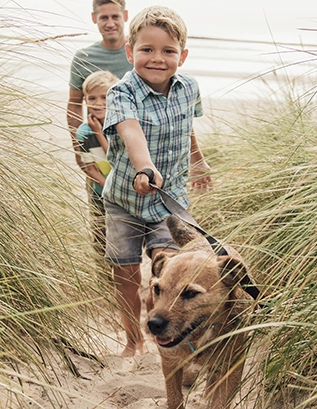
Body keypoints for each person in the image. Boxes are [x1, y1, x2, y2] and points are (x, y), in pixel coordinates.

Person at [101, 5, 212, 357]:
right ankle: (133, 341)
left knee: (171, 266)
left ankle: (173, 332)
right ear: (130, 51)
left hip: (170, 200)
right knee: (126, 272)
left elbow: (186, 128)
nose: (157, 59)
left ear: (183, 55)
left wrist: (198, 160)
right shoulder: (121, 92)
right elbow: (130, 131)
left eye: (168, 51)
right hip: (125, 200)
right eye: (147, 50)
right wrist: (144, 168)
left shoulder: (188, 88)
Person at [67, 0, 132, 173]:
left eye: (115, 16)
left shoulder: (138, 54)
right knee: (98, 194)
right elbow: (74, 104)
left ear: (125, 16)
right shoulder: (83, 58)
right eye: (104, 17)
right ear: (94, 18)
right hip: (95, 143)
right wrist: (78, 147)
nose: (110, 23)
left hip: (132, 145)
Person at [76, 70, 119, 255]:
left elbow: (115, 157)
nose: (99, 103)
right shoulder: (84, 132)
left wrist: (99, 133)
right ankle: (104, 280)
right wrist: (106, 188)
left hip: (125, 191)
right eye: (92, 98)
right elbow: (89, 167)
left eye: (105, 97)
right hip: (100, 192)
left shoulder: (121, 124)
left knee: (124, 237)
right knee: (101, 237)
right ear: (85, 100)